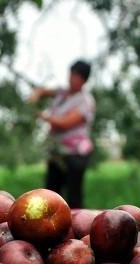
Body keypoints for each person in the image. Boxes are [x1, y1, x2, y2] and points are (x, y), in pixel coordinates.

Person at [29, 59, 95, 209]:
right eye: (71, 74)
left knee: (73, 195)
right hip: (57, 152)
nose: (71, 78)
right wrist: (37, 94)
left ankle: (77, 227)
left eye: (76, 76)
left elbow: (65, 122)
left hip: (75, 154)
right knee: (51, 192)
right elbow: (43, 91)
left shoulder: (85, 101)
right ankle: (49, 223)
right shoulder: (62, 92)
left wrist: (43, 115)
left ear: (83, 80)